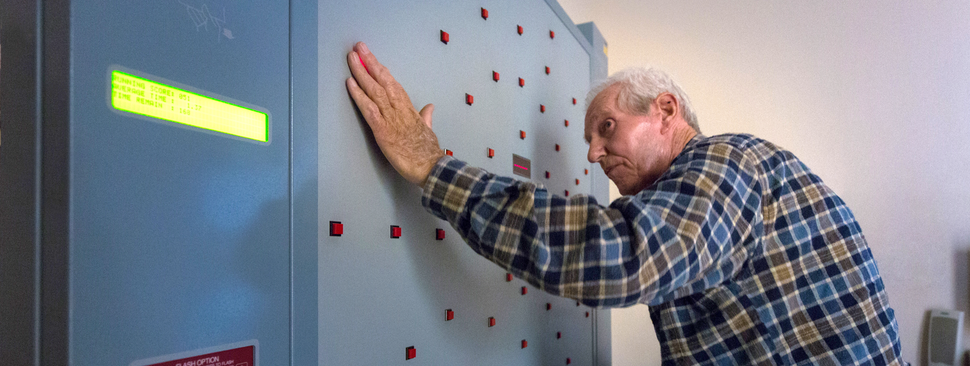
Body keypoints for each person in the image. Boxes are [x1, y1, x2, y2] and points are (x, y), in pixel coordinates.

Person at [345, 41, 902, 365]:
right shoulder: (708, 194)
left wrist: (434, 169)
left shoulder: (728, 162)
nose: (593, 154)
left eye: (606, 127)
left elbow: (619, 254)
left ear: (665, 109)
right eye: (590, 139)